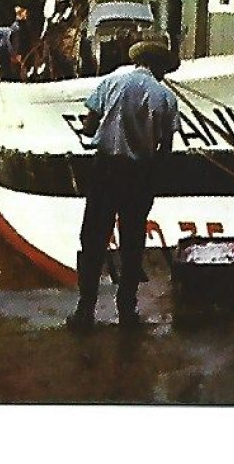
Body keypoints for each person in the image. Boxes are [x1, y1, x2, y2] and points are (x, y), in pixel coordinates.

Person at [67, 38, 181, 331]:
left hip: (105, 170)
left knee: (92, 239)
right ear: (159, 68)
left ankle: (85, 309)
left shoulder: (111, 83)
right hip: (139, 174)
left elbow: (90, 125)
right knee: (132, 242)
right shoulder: (166, 98)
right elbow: (165, 149)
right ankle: (127, 309)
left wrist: (93, 127)